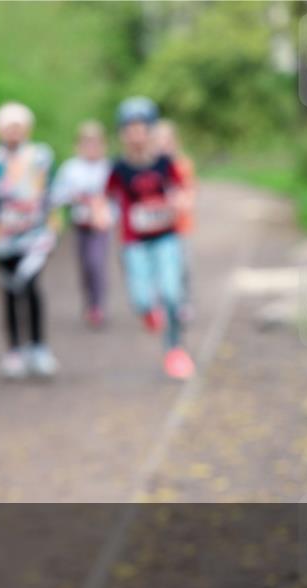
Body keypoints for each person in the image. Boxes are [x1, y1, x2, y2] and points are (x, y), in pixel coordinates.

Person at [0, 101, 59, 379]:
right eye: (8, 127)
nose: (13, 132)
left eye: (18, 126)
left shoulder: (41, 157)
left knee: (29, 285)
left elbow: (50, 192)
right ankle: (14, 350)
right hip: (3, 239)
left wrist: (53, 223)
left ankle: (38, 348)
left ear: (27, 128)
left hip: (35, 237)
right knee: (9, 291)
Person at [106, 97, 194, 380]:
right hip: (135, 244)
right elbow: (104, 197)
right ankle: (149, 313)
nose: (136, 134)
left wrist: (180, 202)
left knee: (171, 294)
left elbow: (181, 189)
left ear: (151, 131)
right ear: (122, 133)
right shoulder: (118, 168)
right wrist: (101, 213)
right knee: (142, 300)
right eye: (130, 128)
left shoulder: (164, 162)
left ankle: (175, 351)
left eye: (142, 128)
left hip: (166, 239)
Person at [50, 120, 114, 328]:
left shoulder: (109, 167)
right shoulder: (71, 168)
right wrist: (74, 198)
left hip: (101, 225)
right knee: (85, 266)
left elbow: (119, 197)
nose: (92, 147)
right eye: (87, 143)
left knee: (97, 263)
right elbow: (57, 195)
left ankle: (97, 306)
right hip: (80, 224)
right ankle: (89, 303)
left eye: (96, 143)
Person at [153, 118, 197, 321]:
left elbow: (189, 193)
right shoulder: (150, 167)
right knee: (159, 268)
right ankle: (161, 304)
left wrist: (178, 201)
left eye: (166, 141)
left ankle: (184, 301)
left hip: (180, 226)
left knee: (183, 266)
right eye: (158, 141)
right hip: (156, 228)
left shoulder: (182, 165)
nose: (163, 145)